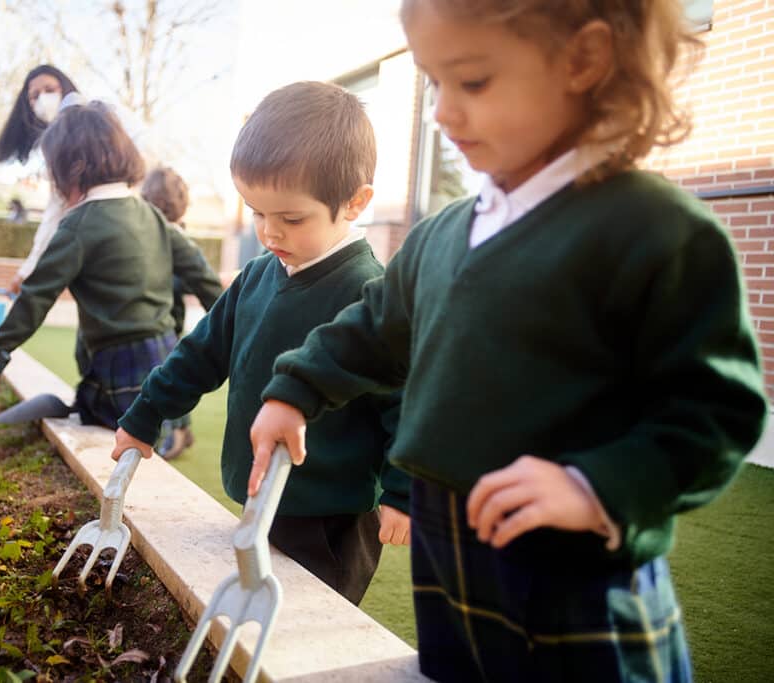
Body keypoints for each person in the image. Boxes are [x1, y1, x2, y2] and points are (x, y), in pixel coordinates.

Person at [247, 2, 768, 681]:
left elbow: (718, 413)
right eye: (435, 83)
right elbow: (370, 331)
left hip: (571, 566)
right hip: (447, 549)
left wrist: (595, 486)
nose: (441, 113)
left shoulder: (655, 231)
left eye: (473, 82)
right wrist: (295, 389)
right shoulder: (440, 234)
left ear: (584, 61)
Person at [112, 81, 412, 605]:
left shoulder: (370, 295)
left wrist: (405, 491)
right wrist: (145, 415)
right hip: (262, 495)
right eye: (256, 212)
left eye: (291, 219)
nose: (269, 233)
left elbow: (405, 404)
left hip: (331, 515)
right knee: (256, 602)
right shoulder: (256, 276)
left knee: (309, 625)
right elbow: (198, 356)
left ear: (355, 202)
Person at [0, 101, 224, 431]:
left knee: (107, 424)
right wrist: (227, 336)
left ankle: (88, 411)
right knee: (142, 425)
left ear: (72, 167)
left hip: (117, 363)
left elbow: (36, 296)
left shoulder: (78, 226)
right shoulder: (151, 215)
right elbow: (203, 276)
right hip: (164, 360)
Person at [0, 64, 82, 295]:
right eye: (34, 96)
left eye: (50, 89)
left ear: (66, 89)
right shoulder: (53, 148)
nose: (43, 98)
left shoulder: (90, 124)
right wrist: (27, 269)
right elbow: (56, 209)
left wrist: (28, 270)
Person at [140, 166, 196, 459]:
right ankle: (182, 429)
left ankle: (177, 431)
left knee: (169, 375)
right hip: (163, 319)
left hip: (169, 320)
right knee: (168, 374)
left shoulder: (175, 238)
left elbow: (193, 278)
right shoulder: (153, 235)